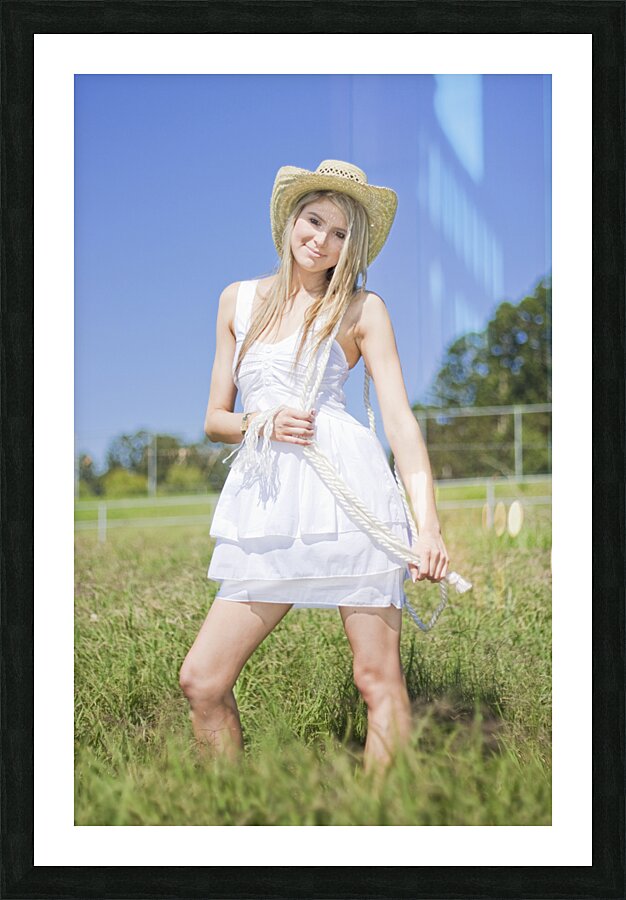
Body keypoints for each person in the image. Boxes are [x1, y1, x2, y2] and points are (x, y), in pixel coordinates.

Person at [179, 159, 450, 773]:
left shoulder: (362, 309)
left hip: (349, 491)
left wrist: (426, 525)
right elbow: (215, 418)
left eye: (340, 234)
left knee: (376, 677)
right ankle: (228, 819)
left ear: (351, 247)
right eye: (313, 221)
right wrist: (260, 423)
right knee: (201, 679)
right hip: (268, 499)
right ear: (290, 220)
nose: (321, 241)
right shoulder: (237, 301)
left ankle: (384, 834)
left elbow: (401, 422)